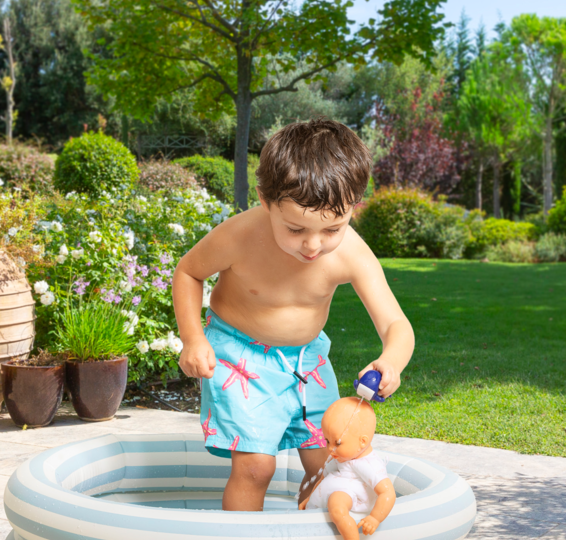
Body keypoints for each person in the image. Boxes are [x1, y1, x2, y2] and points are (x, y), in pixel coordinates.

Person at [172, 117, 414, 512]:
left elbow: (395, 324)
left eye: (332, 229)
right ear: (266, 201)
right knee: (255, 468)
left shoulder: (351, 251)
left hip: (308, 360)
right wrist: (193, 338)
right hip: (239, 355)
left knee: (330, 465)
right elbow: (188, 271)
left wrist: (392, 361)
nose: (314, 245)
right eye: (296, 229)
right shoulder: (240, 236)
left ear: (354, 206)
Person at [299, 397, 396, 540]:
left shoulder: (368, 464)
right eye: (327, 441)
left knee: (337, 506)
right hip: (333, 493)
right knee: (332, 499)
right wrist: (310, 498)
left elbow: (387, 492)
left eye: (337, 443)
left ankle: (351, 537)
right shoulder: (340, 455)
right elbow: (323, 478)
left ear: (362, 442)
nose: (330, 448)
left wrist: (375, 518)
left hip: (349, 496)